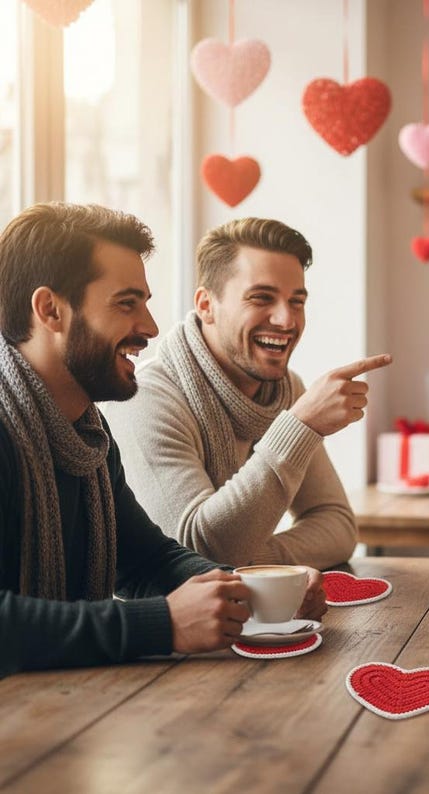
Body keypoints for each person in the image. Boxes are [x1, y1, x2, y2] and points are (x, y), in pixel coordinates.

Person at [0, 203, 325, 678]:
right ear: (50, 310)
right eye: (126, 303)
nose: (151, 327)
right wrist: (161, 625)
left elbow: (145, 559)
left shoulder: (88, 434)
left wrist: (248, 590)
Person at [104, 218, 391, 570]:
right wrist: (300, 426)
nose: (286, 320)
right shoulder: (145, 398)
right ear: (206, 305)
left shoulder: (285, 391)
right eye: (261, 298)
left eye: (296, 301)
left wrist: (254, 564)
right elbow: (194, 556)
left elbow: (338, 526)